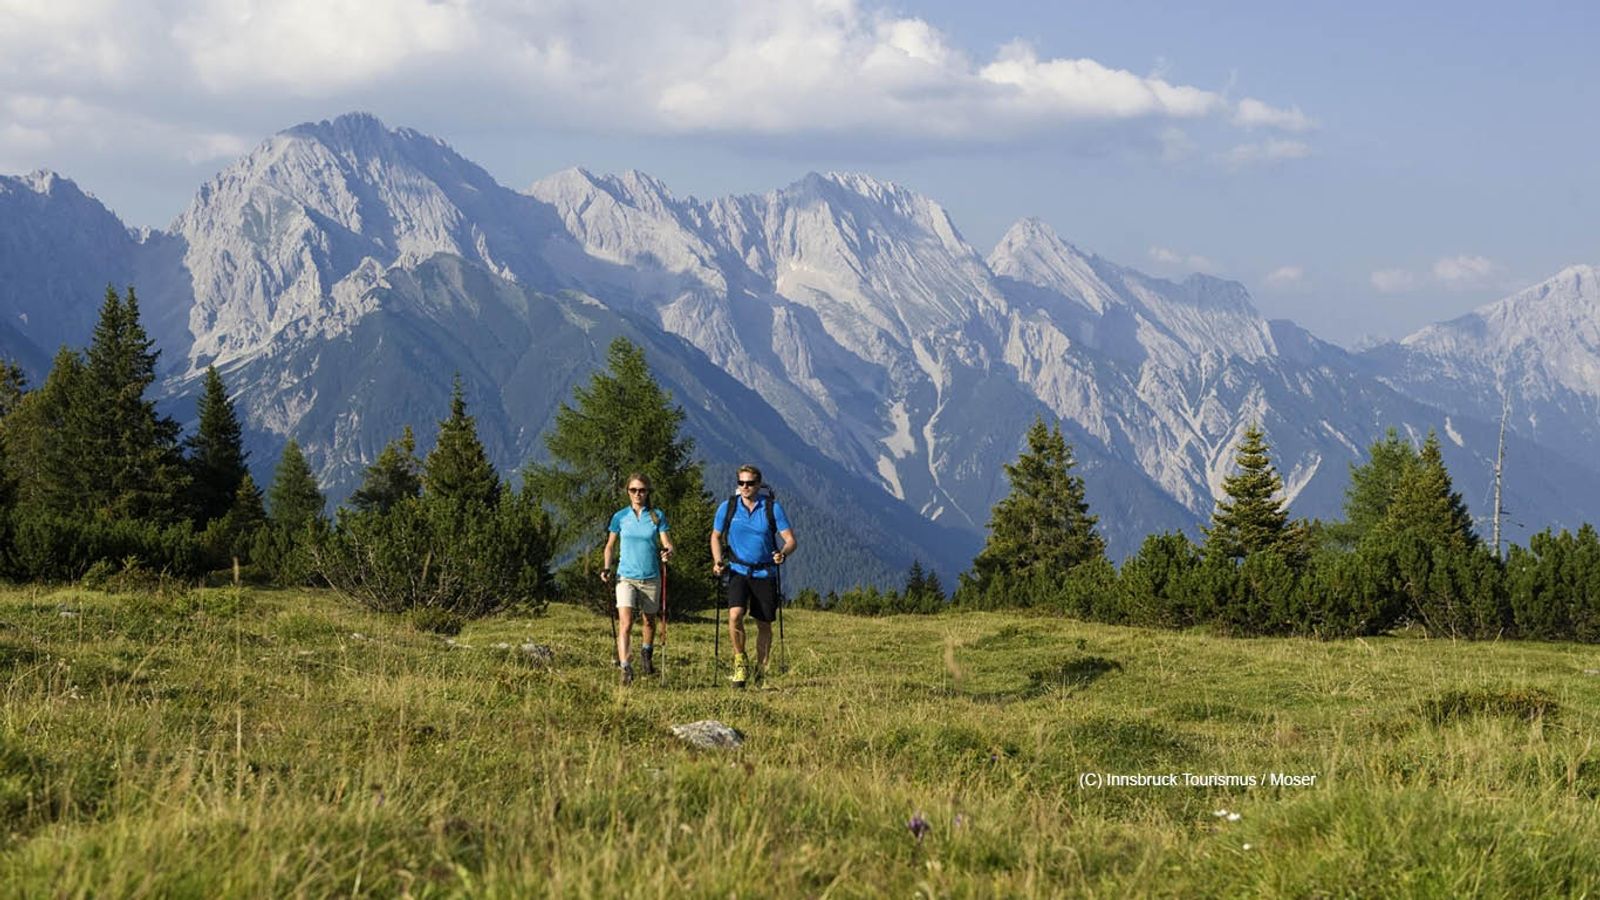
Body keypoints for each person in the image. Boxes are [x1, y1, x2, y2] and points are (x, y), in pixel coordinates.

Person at [711, 464, 797, 687]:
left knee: (764, 624)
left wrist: (782, 554)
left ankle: (761, 670)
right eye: (741, 483)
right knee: (735, 615)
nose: (745, 487)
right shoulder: (728, 507)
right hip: (738, 570)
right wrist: (718, 561)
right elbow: (716, 536)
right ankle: (740, 662)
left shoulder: (771, 508)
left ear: (759, 485)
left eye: (750, 483)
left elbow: (790, 540)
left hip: (765, 572)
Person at [601, 473, 674, 685]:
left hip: (651, 576)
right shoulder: (620, 517)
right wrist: (607, 567)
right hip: (625, 577)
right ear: (628, 492)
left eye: (641, 490)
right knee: (625, 623)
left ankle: (646, 655)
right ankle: (625, 667)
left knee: (649, 620)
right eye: (633, 490)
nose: (637, 494)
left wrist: (668, 552)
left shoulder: (656, 516)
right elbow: (609, 545)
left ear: (648, 492)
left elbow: (667, 543)